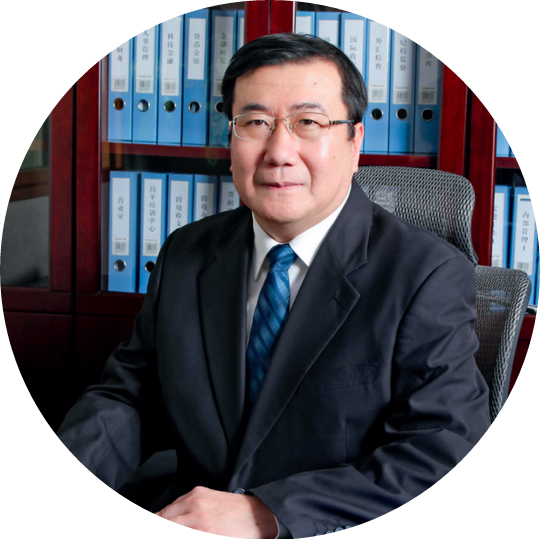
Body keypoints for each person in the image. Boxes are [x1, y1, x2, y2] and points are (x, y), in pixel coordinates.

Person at [58, 33, 491, 538]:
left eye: (308, 123)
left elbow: (443, 451)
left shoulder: (426, 274)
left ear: (354, 143)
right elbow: (131, 397)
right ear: (230, 140)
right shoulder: (187, 253)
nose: (279, 151)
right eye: (256, 123)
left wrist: (268, 512)